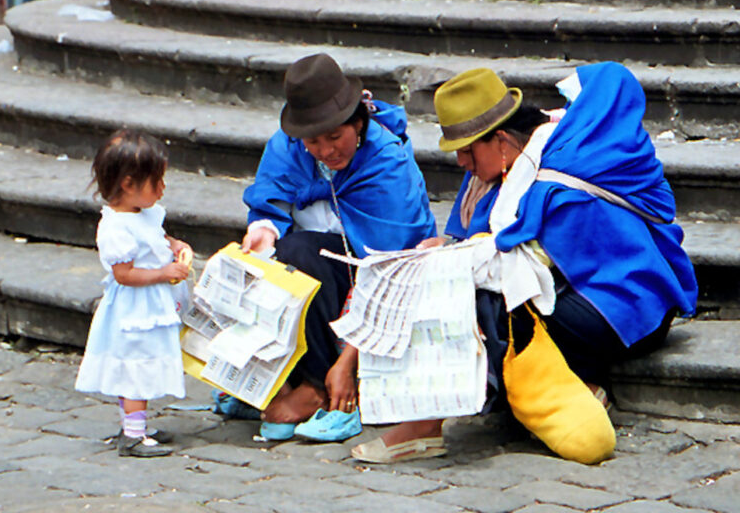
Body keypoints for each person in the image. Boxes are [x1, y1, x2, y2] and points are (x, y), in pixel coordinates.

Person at [351, 62, 698, 464]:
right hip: (576, 299)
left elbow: (521, 264)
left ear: (500, 140)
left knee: (488, 305)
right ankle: (574, 385)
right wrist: (443, 247)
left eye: (466, 150)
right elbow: (473, 238)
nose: (461, 161)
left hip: (627, 309)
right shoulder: (498, 165)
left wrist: (452, 259)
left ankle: (426, 424)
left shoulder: (557, 177)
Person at [242, 53, 437, 436]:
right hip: (319, 271)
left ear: (359, 124)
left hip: (379, 286)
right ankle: (281, 378)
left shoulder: (386, 163)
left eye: (336, 137)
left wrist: (347, 362)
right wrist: (263, 230)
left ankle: (320, 386)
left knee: (301, 253)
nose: (327, 151)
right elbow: (270, 203)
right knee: (272, 259)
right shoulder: (287, 149)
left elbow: (390, 268)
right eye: (313, 141)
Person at [75, 129, 192, 458]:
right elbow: (124, 274)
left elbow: (157, 238)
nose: (162, 189)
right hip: (136, 309)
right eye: (157, 182)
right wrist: (163, 273)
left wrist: (174, 246)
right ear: (128, 184)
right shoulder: (116, 228)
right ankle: (133, 434)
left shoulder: (144, 214)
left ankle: (135, 424)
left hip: (151, 303)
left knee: (142, 363)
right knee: (136, 366)